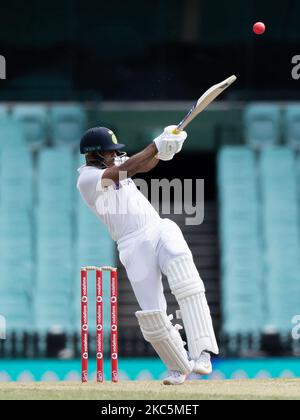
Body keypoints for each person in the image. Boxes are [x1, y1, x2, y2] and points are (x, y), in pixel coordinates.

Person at [77, 126, 219, 385]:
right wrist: (156, 144)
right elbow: (126, 169)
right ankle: (179, 366)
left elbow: (142, 165)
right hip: (132, 246)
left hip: (156, 227)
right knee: (153, 314)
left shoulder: (114, 165)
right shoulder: (87, 180)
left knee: (186, 281)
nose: (115, 156)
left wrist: (165, 150)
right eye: (110, 152)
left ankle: (203, 353)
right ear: (95, 155)